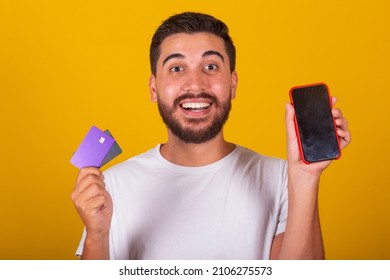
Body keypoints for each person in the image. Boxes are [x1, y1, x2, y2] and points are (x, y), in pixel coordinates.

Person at [71, 12, 351, 260]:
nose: (195, 84)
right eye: (177, 68)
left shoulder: (282, 179)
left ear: (233, 84)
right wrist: (97, 236)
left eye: (211, 67)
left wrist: (304, 178)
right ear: (154, 89)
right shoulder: (113, 186)